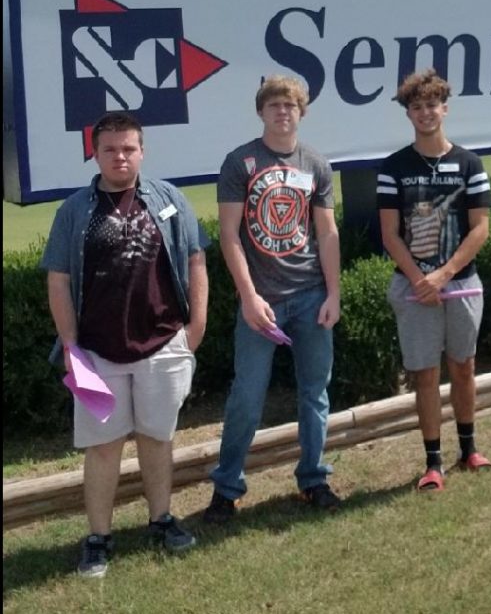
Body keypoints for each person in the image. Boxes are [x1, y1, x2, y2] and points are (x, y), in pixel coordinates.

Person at [42, 111, 209, 578]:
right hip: (96, 352)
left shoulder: (170, 199)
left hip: (163, 346)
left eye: (129, 148)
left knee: (158, 439)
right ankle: (98, 538)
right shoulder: (75, 211)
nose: (120, 156)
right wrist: (73, 349)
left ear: (143, 151)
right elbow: (58, 281)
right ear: (95, 153)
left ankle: (162, 520)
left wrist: (194, 329)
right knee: (103, 447)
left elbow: (196, 261)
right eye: (111, 148)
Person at [203, 75, 342, 522]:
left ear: (301, 112)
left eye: (290, 105)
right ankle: (226, 489)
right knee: (247, 395)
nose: (283, 112)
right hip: (260, 303)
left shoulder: (316, 164)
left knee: (314, 393)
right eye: (274, 105)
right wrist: (248, 297)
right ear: (261, 112)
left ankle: (314, 478)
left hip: (309, 296)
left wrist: (333, 294)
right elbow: (229, 235)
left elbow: (326, 232)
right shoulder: (240, 163)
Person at [377, 68, 491, 491]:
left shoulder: (469, 164)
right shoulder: (393, 168)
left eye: (432, 105)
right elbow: (389, 233)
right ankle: (433, 462)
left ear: (445, 108)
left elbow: (480, 228)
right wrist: (420, 279)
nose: (425, 113)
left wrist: (444, 275)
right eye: (416, 107)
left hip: (462, 284)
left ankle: (469, 450)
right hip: (414, 289)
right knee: (425, 374)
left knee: (464, 367)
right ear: (408, 114)